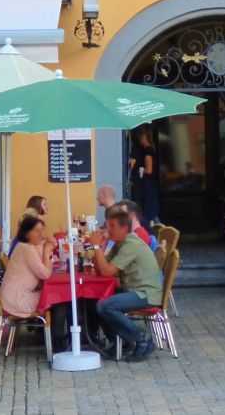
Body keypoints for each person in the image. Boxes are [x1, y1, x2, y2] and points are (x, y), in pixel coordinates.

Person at [88, 204, 163, 362]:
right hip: (133, 290)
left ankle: (143, 339)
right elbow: (101, 269)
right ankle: (120, 341)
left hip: (145, 293)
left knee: (104, 306)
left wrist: (95, 246)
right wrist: (100, 246)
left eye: (112, 226)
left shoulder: (131, 244)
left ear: (124, 228)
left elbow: (107, 271)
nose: (108, 229)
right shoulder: (119, 244)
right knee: (94, 302)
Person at [0, 215, 56, 317]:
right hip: (16, 300)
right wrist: (47, 249)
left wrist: (47, 249)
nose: (41, 234)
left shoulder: (27, 246)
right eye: (36, 231)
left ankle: (46, 331)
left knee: (52, 295)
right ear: (26, 234)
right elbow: (45, 274)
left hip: (10, 296)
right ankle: (54, 332)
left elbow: (43, 258)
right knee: (55, 297)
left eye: (42, 230)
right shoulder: (26, 249)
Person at [128, 128, 160, 227]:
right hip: (150, 185)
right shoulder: (151, 150)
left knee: (149, 212)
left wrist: (140, 169)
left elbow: (149, 170)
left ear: (145, 137)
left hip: (148, 185)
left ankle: (155, 231)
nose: (139, 138)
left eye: (141, 136)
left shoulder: (147, 152)